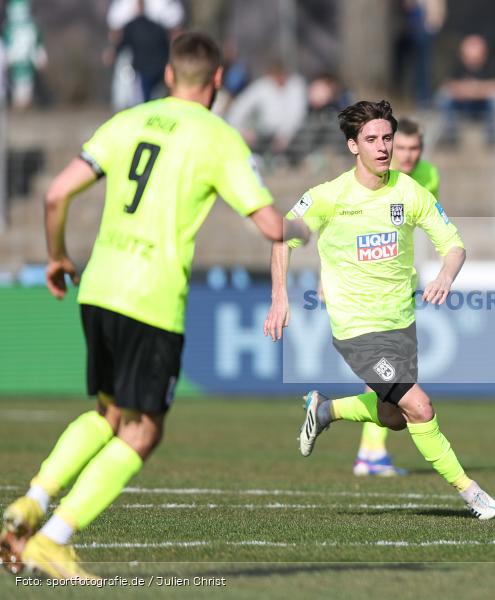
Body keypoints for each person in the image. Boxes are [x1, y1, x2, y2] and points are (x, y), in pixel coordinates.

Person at [0, 32, 309, 579]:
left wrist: (56, 257)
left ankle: (29, 504)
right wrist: (311, 227)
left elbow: (55, 194)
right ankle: (54, 537)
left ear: (168, 76)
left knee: (109, 413)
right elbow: (268, 225)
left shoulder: (128, 121)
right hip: (152, 296)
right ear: (216, 81)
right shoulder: (219, 138)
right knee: (142, 432)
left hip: (98, 284)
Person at [263, 100, 495, 520]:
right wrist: (280, 296)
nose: (382, 147)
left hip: (401, 324)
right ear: (353, 145)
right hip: (357, 328)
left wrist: (446, 274)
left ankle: (325, 409)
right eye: (371, 139)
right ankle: (473, 494)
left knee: (393, 417)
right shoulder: (328, 196)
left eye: (387, 138)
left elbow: (453, 244)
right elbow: (283, 236)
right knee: (420, 408)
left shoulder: (410, 191)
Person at [348, 117, 439, 477]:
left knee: (389, 376)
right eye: (402, 148)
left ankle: (369, 450)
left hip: (398, 283)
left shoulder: (428, 176)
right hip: (365, 283)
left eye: (415, 149)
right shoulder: (370, 177)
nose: (408, 155)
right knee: (389, 375)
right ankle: (368, 453)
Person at [227, 58, 308, 164]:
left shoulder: (296, 86)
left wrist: (285, 135)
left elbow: (296, 114)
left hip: (294, 139)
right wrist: (241, 130)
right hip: (263, 138)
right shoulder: (262, 86)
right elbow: (239, 108)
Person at [436, 34, 495, 147]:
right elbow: (449, 84)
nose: (471, 61)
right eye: (467, 57)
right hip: (462, 104)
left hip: (484, 105)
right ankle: (450, 137)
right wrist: (466, 89)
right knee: (444, 97)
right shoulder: (457, 65)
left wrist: (475, 89)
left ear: (483, 54)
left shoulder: (492, 64)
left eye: (475, 57)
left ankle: (493, 139)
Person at [114, 0, 170, 102]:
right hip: (159, 68)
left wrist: (114, 53)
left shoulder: (131, 26)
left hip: (143, 68)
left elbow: (123, 43)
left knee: (144, 99)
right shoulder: (158, 27)